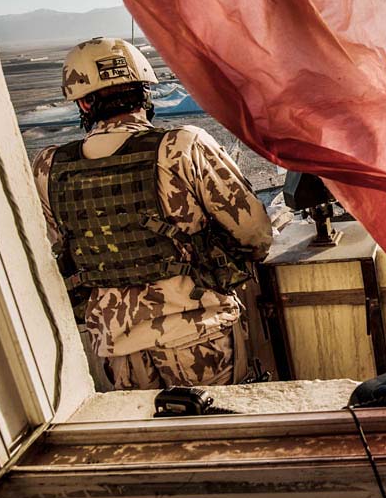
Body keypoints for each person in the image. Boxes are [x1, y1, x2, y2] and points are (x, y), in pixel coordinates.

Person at [31, 37, 273, 389]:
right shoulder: (182, 146)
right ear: (145, 93)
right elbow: (255, 233)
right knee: (220, 433)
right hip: (199, 334)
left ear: (83, 102)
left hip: (118, 348)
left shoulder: (48, 167)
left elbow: (60, 248)